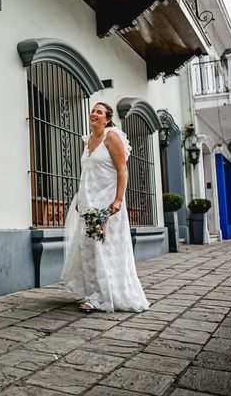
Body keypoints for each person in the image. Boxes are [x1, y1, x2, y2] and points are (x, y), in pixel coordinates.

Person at [60, 102, 149, 313]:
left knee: (102, 248)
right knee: (88, 247)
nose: (94, 114)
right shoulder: (87, 141)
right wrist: (80, 199)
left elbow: (122, 170)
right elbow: (87, 174)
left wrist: (118, 199)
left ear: (107, 119)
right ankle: (95, 293)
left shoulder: (112, 137)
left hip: (107, 206)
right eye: (93, 111)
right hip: (89, 205)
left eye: (99, 112)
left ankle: (102, 297)